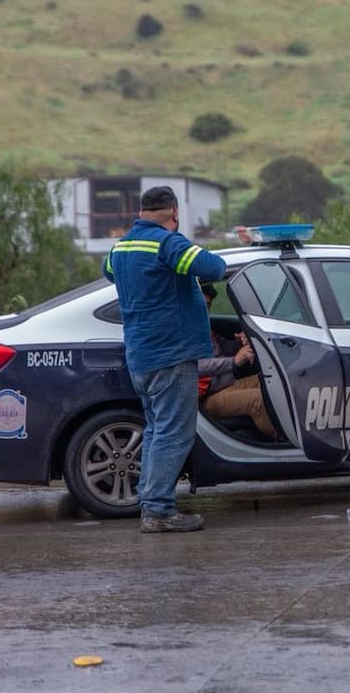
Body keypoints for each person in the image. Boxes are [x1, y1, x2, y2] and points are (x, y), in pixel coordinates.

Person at [103, 186, 226, 533]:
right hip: (171, 353)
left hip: (141, 355)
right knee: (173, 433)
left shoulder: (121, 247)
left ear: (141, 212)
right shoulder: (167, 244)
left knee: (158, 431)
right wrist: (177, 239)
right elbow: (214, 268)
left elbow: (110, 272)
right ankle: (158, 511)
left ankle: (150, 502)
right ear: (174, 212)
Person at [197, 284, 277, 440]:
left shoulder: (204, 328)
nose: (206, 309)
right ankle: (282, 442)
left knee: (270, 383)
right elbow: (197, 366)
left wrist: (242, 341)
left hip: (224, 385)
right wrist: (234, 361)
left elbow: (223, 348)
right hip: (206, 398)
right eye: (202, 305)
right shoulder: (186, 333)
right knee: (258, 400)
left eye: (208, 305)